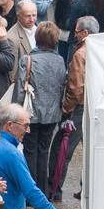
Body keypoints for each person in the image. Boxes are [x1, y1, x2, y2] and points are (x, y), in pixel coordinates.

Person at [49, 15, 98, 200]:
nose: (75, 35)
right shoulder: (100, 48)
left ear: (85, 33)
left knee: (61, 150)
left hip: (78, 108)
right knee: (91, 151)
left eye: (77, 31)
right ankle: (87, 190)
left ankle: (54, 190)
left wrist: (66, 108)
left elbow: (76, 87)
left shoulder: (80, 54)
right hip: (93, 106)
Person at [21, 22, 67, 194]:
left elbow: (20, 88)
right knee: (44, 151)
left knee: (30, 151)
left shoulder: (28, 60)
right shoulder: (60, 60)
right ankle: (42, 189)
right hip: (52, 113)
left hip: (31, 113)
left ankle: (30, 191)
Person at [4, 0, 38, 77]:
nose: (32, 19)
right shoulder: (12, 38)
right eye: (28, 16)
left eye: (34, 15)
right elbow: (13, 71)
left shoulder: (38, 29)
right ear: (18, 16)